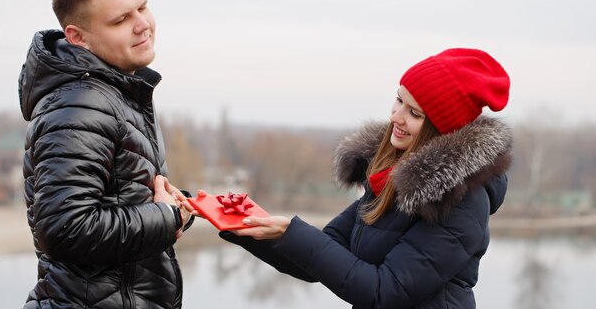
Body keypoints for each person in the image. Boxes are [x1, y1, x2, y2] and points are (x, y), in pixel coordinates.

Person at [210, 48, 512, 309]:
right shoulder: (390, 179)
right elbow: (321, 257)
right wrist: (235, 221)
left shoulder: (462, 202)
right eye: (398, 100)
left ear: (440, 129)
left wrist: (294, 232)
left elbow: (383, 290)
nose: (396, 116)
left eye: (415, 113)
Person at [18, 0, 194, 309]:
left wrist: (173, 207)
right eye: (120, 20)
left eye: (142, 7)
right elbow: (67, 229)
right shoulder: (78, 105)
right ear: (78, 37)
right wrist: (165, 216)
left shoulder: (118, 92)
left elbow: (115, 200)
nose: (143, 24)